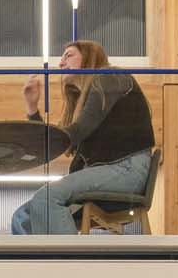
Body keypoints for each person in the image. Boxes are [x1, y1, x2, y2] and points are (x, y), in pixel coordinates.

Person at [13, 40, 156, 235]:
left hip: (126, 169)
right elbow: (59, 143)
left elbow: (74, 133)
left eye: (69, 55)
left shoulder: (110, 77)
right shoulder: (87, 96)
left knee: (46, 197)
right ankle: (36, 264)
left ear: (89, 58)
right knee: (23, 217)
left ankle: (68, 263)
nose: (61, 63)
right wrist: (32, 108)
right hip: (110, 171)